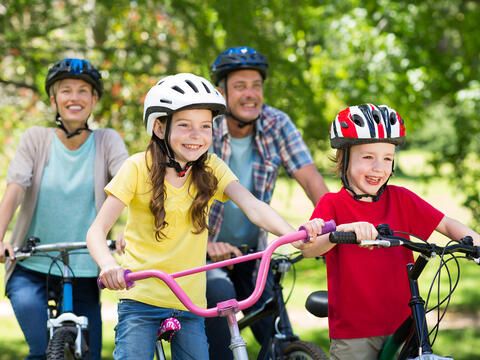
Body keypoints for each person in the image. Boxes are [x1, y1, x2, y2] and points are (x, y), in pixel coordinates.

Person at [86, 73, 297, 360]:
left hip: (190, 304)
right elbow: (97, 232)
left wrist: (292, 235)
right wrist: (108, 264)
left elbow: (254, 206)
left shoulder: (211, 168)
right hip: (141, 299)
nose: (196, 135)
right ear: (160, 127)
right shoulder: (137, 167)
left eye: (205, 126)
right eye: (184, 125)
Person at [297, 104, 480, 360]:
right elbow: (310, 248)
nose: (379, 168)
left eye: (387, 158)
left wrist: (475, 243)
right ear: (344, 158)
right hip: (355, 331)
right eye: (368, 157)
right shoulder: (332, 204)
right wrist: (339, 231)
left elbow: (446, 224)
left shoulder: (401, 199)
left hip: (403, 323)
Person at [205, 45, 330, 359]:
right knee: (220, 331)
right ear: (221, 92)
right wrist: (206, 243)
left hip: (255, 253)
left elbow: (312, 180)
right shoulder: (205, 128)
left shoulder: (277, 124)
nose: (250, 94)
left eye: (256, 86)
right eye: (240, 86)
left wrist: (333, 228)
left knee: (280, 340)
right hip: (205, 254)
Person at [0, 58, 129, 360]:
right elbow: (15, 188)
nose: (75, 98)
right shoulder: (36, 139)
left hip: (84, 269)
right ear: (53, 99)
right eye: (66, 91)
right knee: (42, 349)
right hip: (31, 266)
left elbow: (130, 185)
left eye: (83, 90)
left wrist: (129, 230)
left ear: (94, 99)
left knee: (90, 354)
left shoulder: (107, 141)